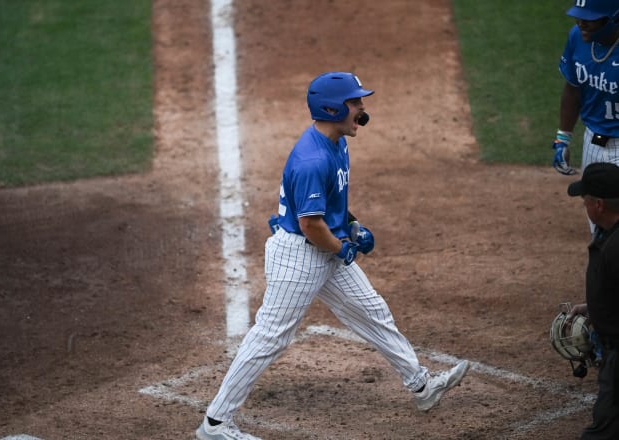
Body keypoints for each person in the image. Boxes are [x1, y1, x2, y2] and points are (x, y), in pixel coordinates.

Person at [195, 72, 470, 440]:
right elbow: (311, 225)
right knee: (271, 336)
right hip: (300, 255)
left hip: (326, 248)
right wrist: (344, 247)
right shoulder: (311, 159)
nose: (362, 108)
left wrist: (354, 228)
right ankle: (215, 423)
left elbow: (333, 206)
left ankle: (421, 386)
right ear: (333, 108)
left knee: (372, 311)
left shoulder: (338, 143)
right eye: (355, 103)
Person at [565, 162, 619, 439]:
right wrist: (595, 308)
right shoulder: (608, 232)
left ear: (599, 204)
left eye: (584, 199)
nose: (582, 203)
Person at [552, 0, 619, 180]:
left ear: (614, 18)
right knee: (593, 205)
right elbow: (573, 89)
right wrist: (562, 139)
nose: (581, 23)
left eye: (590, 19)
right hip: (593, 141)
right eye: (579, 17)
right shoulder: (577, 37)